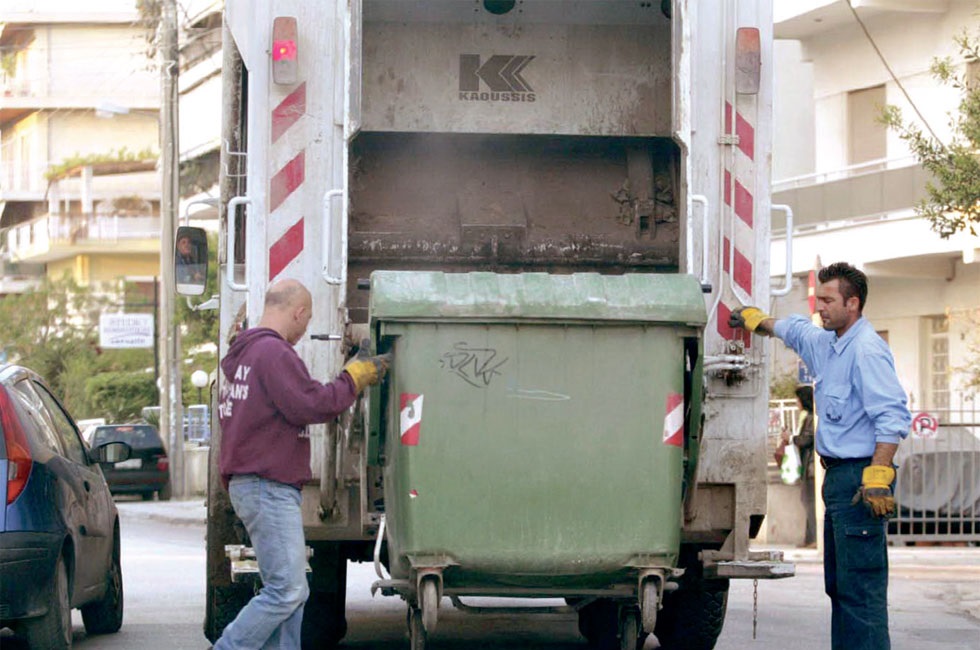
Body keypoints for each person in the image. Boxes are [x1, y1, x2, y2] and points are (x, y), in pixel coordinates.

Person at [729, 262, 910, 650]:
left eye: (829, 301)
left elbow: (892, 416)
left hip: (862, 481)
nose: (821, 308)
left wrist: (878, 475)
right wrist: (756, 320)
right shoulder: (826, 343)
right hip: (837, 480)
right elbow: (792, 329)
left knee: (861, 593)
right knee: (841, 588)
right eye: (819, 300)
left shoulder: (866, 350)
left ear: (854, 303)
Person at [213, 278, 390, 650]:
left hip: (256, 484)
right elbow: (312, 405)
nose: (303, 331)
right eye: (305, 322)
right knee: (287, 590)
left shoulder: (241, 355)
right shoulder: (272, 354)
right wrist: (354, 377)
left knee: (292, 593)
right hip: (267, 485)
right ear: (298, 312)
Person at [792, 383, 817, 548]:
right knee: (807, 502)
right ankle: (810, 539)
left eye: (798, 399)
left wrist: (791, 438)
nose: (796, 403)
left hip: (811, 468)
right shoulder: (808, 417)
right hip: (808, 467)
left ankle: (813, 538)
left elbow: (806, 440)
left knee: (810, 503)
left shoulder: (810, 418)